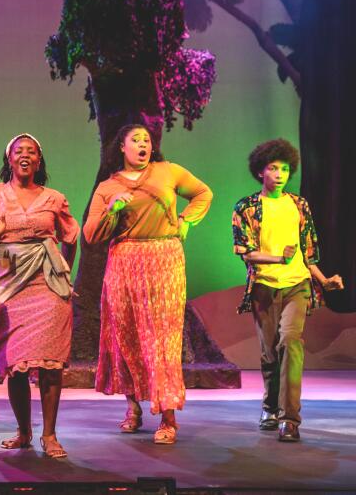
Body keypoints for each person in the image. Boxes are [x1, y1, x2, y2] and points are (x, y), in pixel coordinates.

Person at [84, 124, 212, 445]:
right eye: (136, 140)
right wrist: (113, 211)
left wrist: (186, 221)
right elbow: (90, 235)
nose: (143, 144)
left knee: (163, 340)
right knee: (125, 335)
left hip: (164, 256)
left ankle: (168, 418)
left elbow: (203, 193)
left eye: (147, 140)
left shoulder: (167, 172)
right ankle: (133, 408)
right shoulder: (107, 187)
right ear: (122, 148)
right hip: (125, 259)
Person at [0, 135, 79, 458]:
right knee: (14, 362)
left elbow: (71, 236)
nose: (25, 156)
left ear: (39, 161)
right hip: (10, 281)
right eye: (19, 151)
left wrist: (64, 274)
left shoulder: (54, 198)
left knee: (50, 363)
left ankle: (50, 434)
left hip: (48, 283)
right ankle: (24, 431)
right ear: (9, 160)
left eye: (31, 152)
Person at [232, 138, 344, 442]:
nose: (280, 174)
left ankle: (289, 419)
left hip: (297, 285)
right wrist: (277, 258)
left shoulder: (299, 205)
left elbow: (307, 252)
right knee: (270, 352)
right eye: (273, 168)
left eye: (284, 169)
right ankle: (269, 407)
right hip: (264, 287)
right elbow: (245, 251)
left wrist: (324, 280)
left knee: (290, 343)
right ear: (260, 172)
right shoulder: (247, 207)